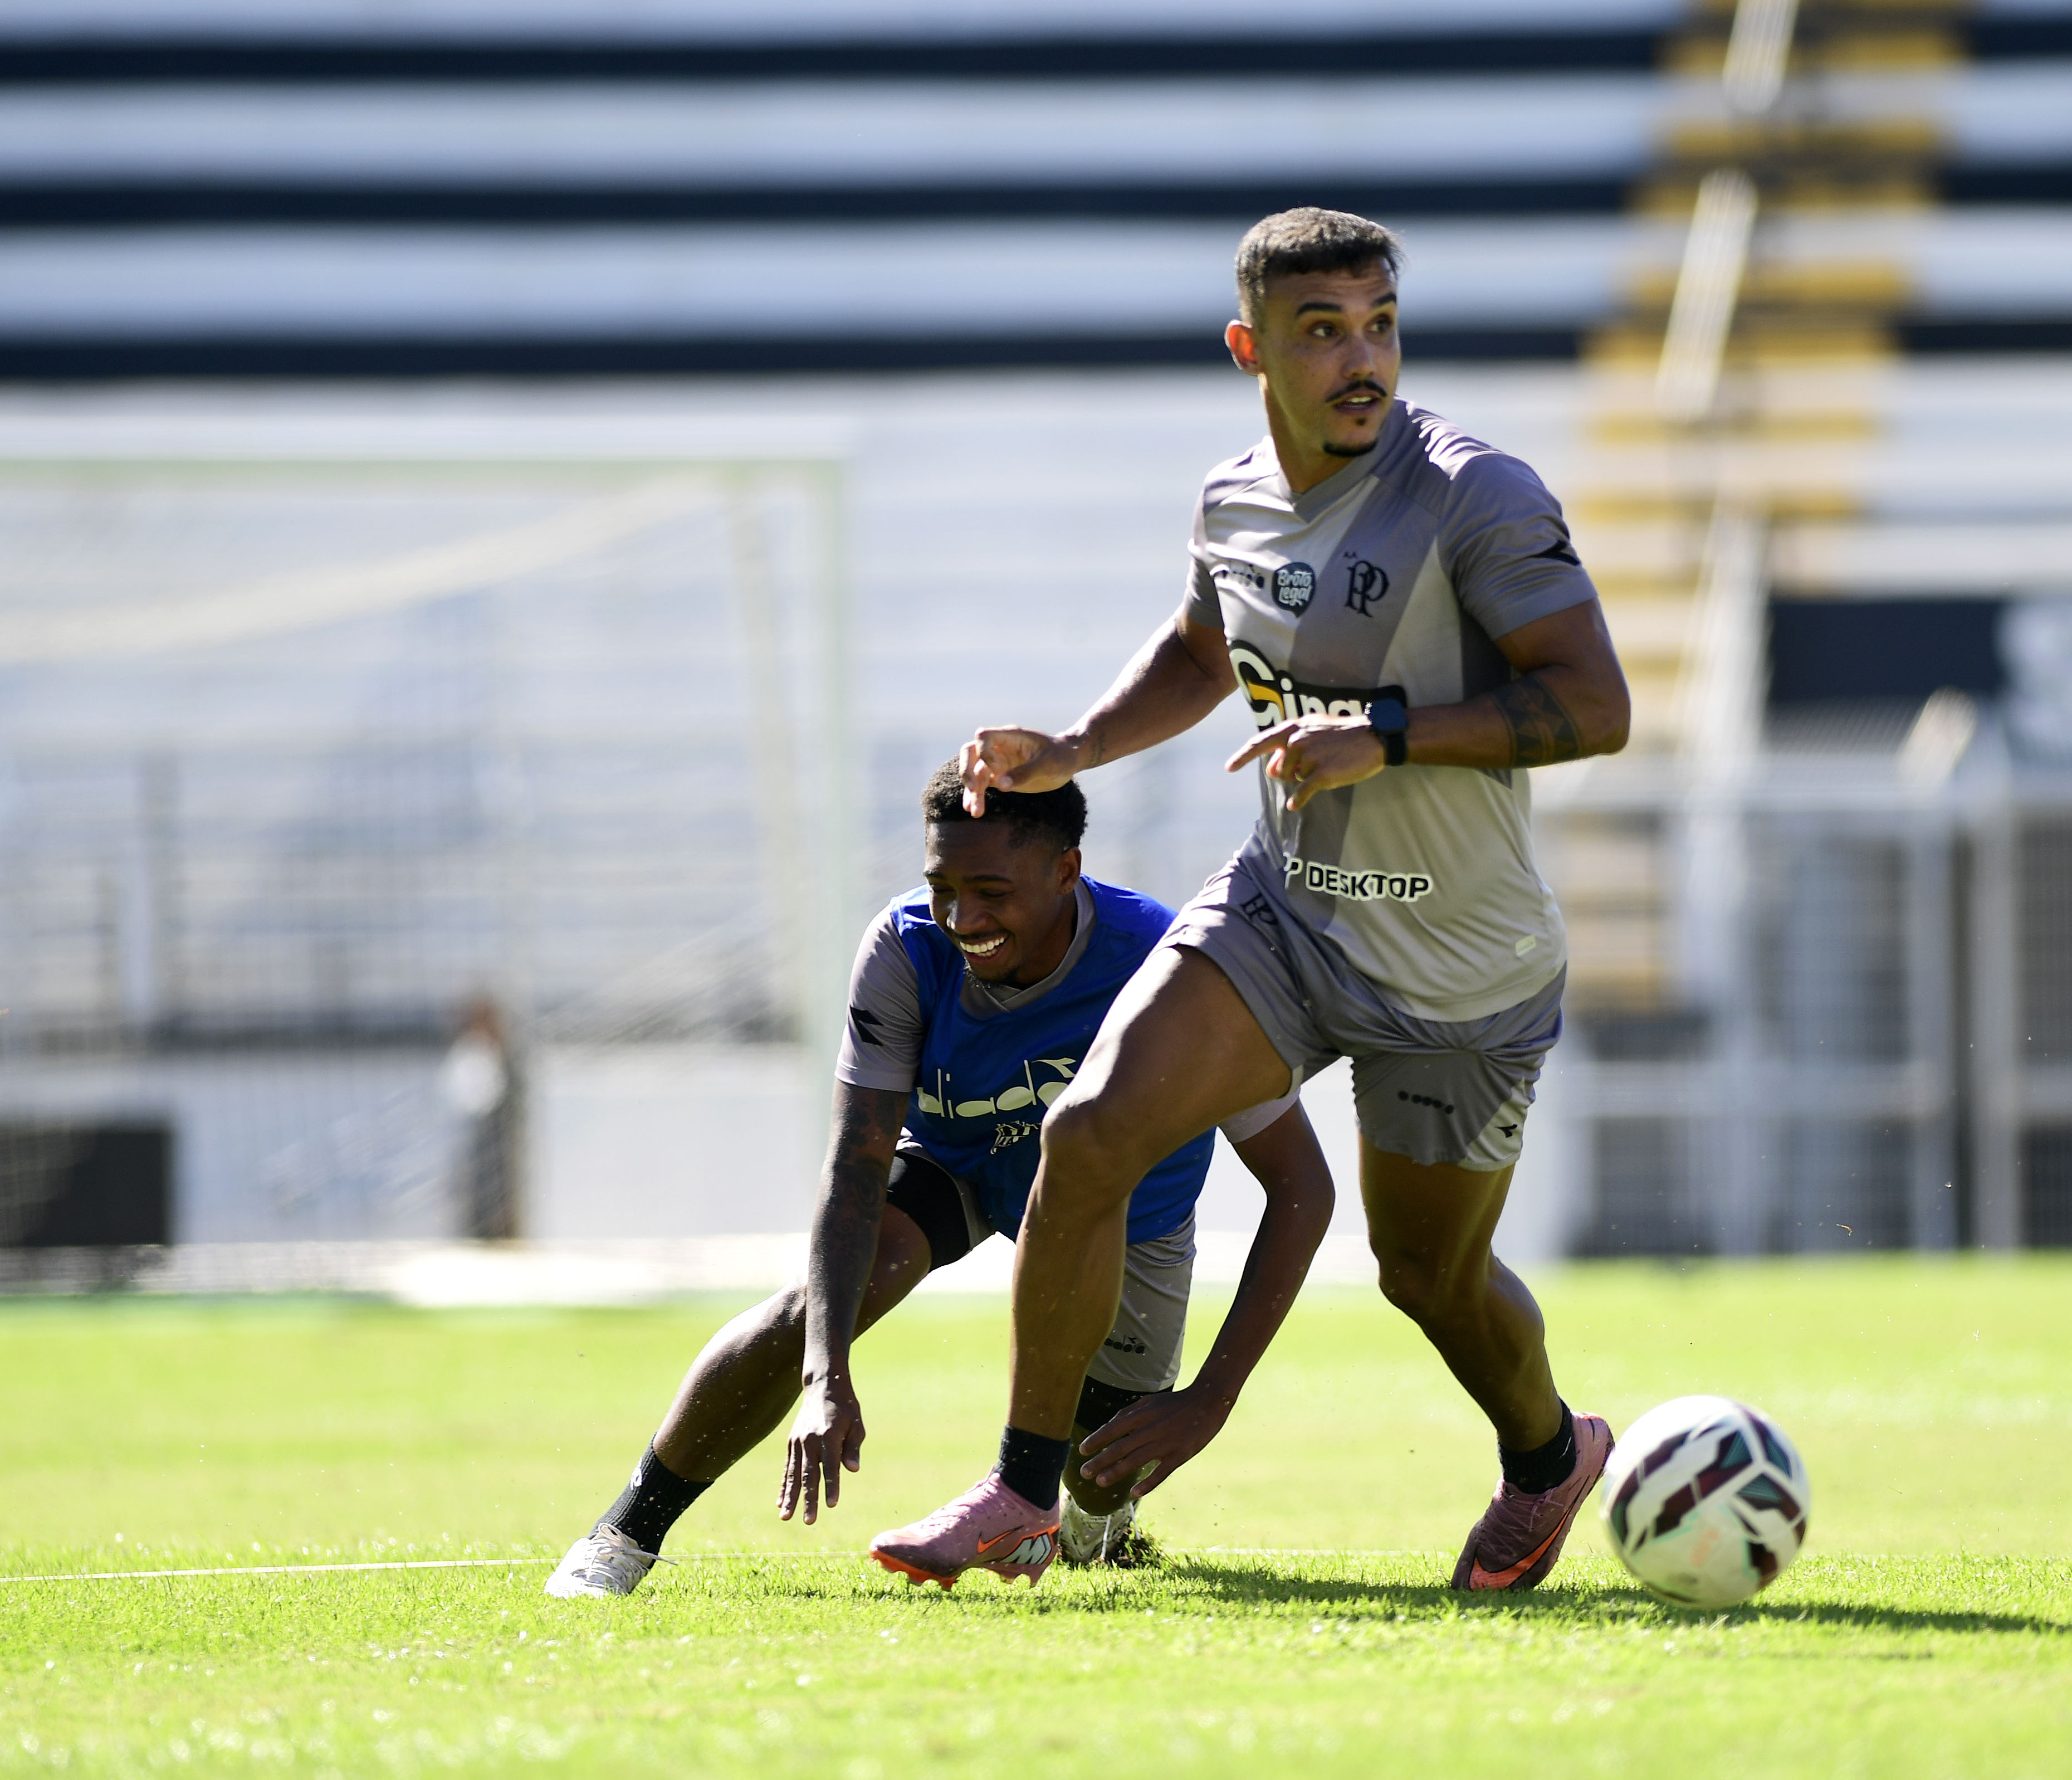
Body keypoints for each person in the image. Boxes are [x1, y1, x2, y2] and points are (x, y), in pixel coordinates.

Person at [871, 207, 1632, 1593]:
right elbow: (1197, 646)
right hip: (1289, 909)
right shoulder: (1230, 498)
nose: (1363, 362)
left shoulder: (1476, 492)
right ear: (1251, 348)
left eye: (1381, 324)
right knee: (1089, 1131)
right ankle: (1019, 1492)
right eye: (1323, 330)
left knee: (1429, 1278)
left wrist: (1382, 732)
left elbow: (1595, 706)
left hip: (1459, 965)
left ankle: (1545, 1456)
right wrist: (1078, 748)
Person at [545, 765, 1334, 1597]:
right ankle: (622, 1535)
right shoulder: (906, 946)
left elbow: (1300, 1187)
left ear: (1066, 872)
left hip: (1123, 1218)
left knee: (1101, 1472)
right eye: (943, 887)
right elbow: (854, 1169)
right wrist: (826, 1375)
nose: (963, 918)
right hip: (962, 1165)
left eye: (990, 891)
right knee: (815, 1310)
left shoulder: (1166, 961)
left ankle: (1096, 1522)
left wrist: (1211, 1396)